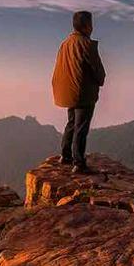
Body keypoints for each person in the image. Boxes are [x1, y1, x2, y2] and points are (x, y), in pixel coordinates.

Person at [51, 10, 106, 173]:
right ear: (87, 26)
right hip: (83, 93)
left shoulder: (65, 43)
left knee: (71, 123)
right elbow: (98, 70)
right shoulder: (86, 44)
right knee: (81, 127)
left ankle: (65, 155)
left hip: (68, 90)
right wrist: (100, 79)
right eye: (91, 24)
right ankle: (79, 163)